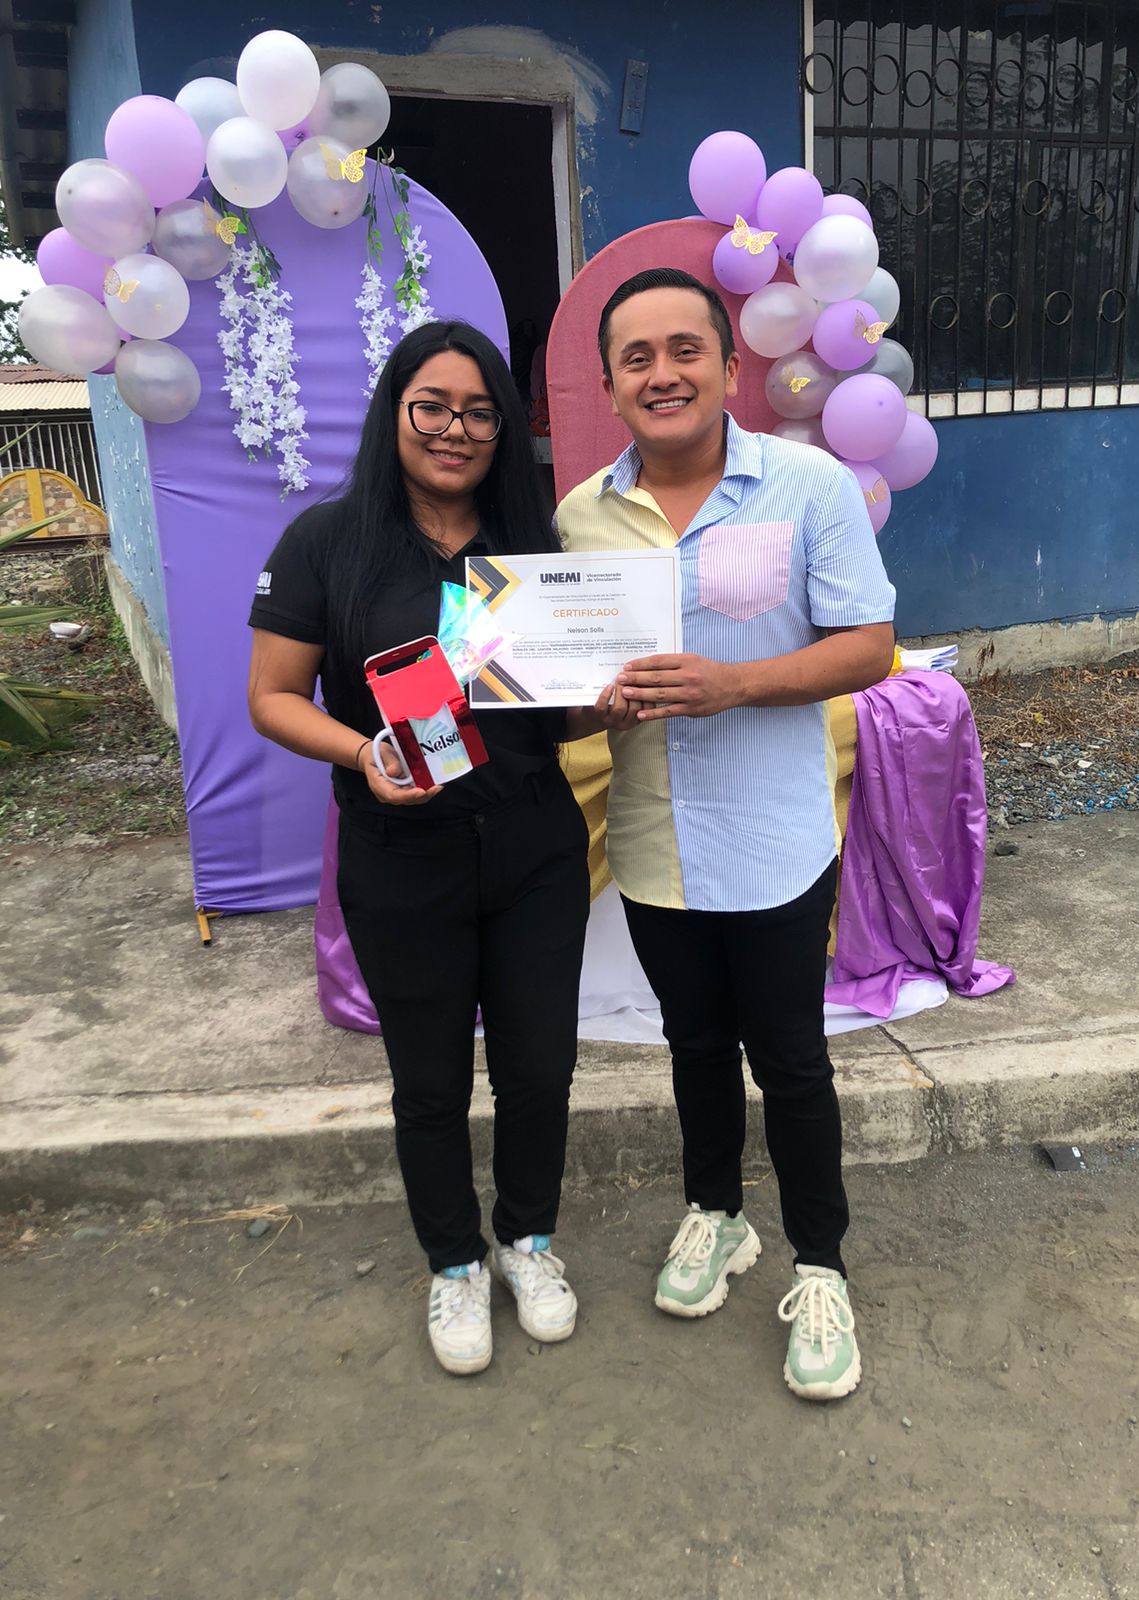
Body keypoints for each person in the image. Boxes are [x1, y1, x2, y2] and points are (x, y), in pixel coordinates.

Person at [555, 268, 897, 1401]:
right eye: (637, 357)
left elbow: (867, 645)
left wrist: (734, 684)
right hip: (657, 844)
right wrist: (591, 705)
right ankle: (717, 1213)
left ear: (730, 365)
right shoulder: (580, 520)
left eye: (684, 349)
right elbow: (562, 695)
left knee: (791, 1060)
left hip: (774, 839)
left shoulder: (808, 485)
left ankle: (821, 1265)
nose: (663, 373)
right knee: (694, 1046)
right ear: (611, 385)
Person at [247, 321, 596, 1378]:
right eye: (432, 406)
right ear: (393, 411)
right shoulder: (327, 541)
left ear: (505, 428)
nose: (455, 429)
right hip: (400, 851)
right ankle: (453, 1262)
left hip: (533, 844)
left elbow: (563, 713)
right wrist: (362, 753)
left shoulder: (533, 550)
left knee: (539, 1067)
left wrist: (612, 700)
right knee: (431, 1079)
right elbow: (271, 697)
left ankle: (526, 1239)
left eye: (480, 411)